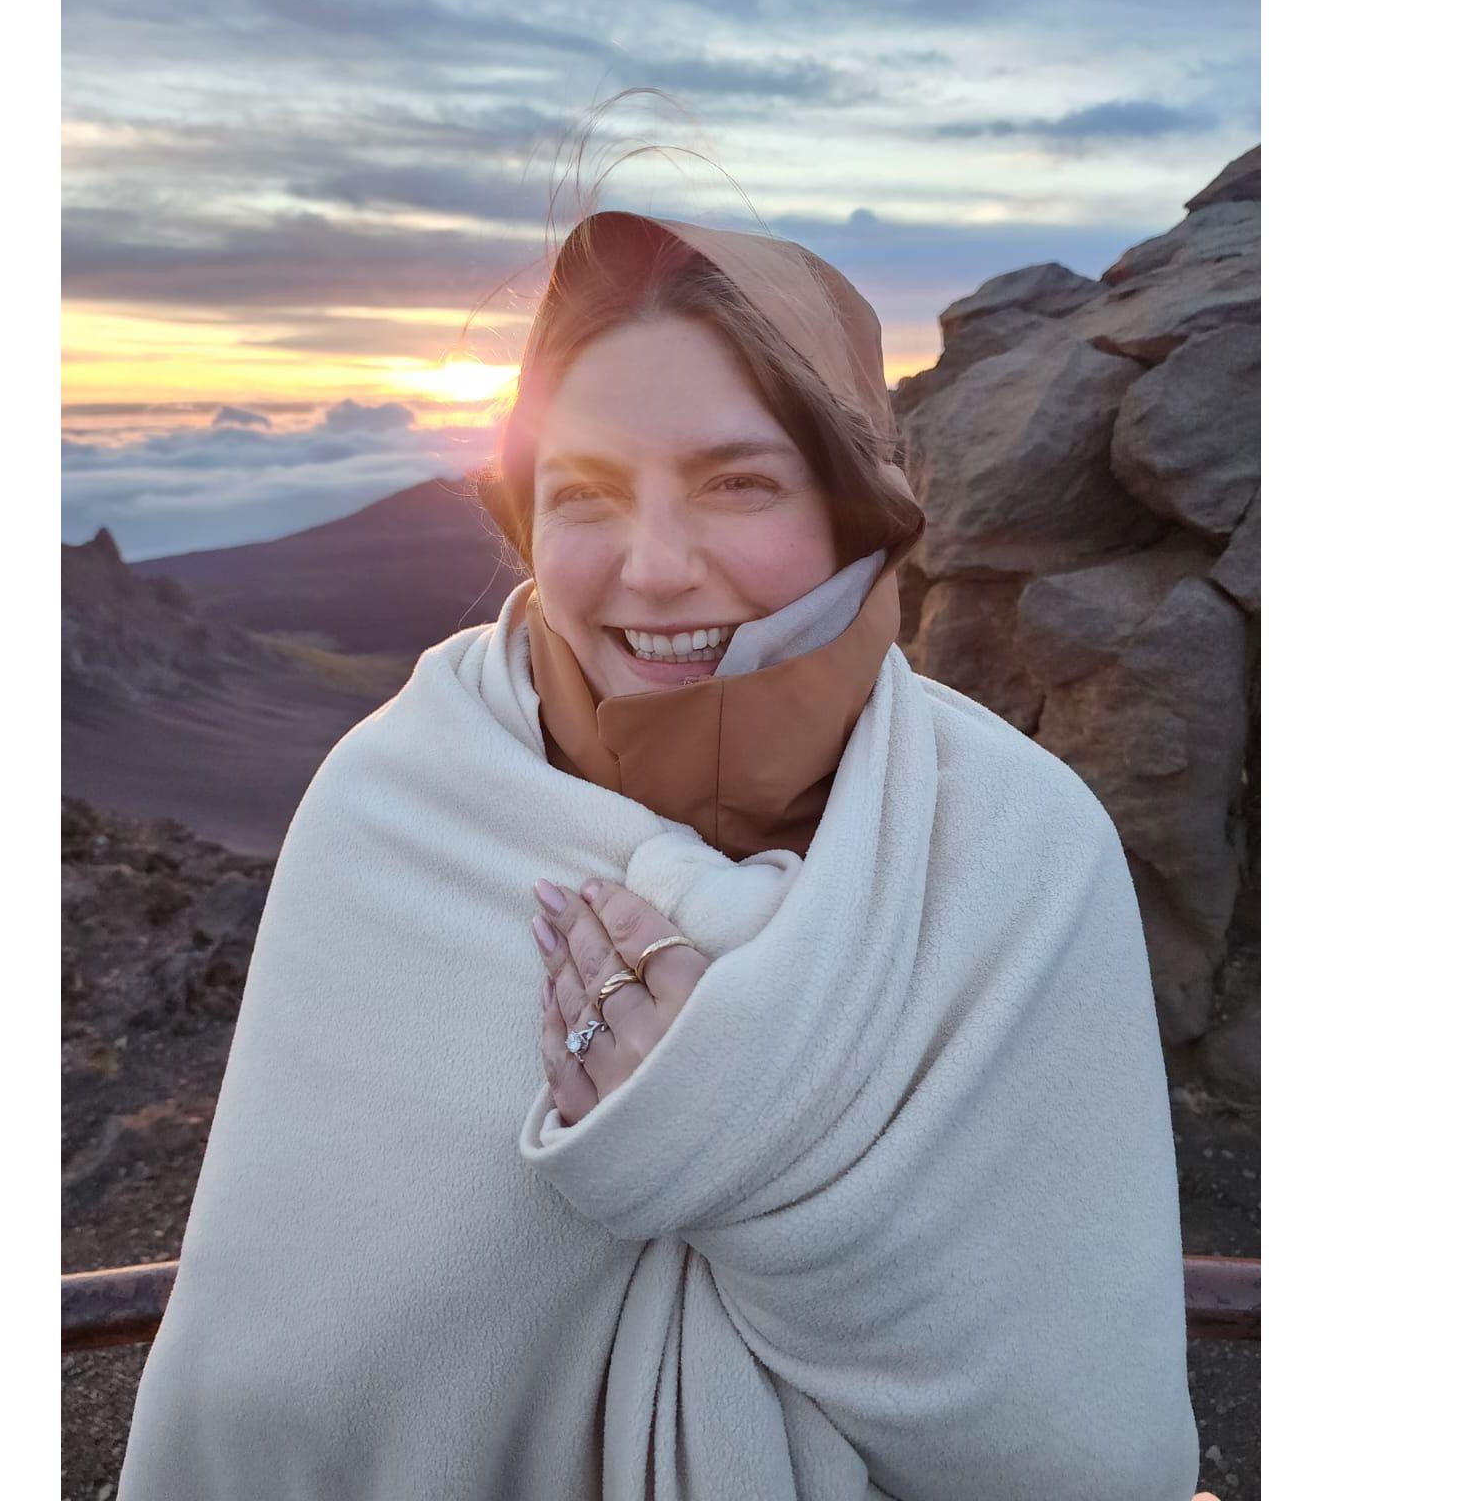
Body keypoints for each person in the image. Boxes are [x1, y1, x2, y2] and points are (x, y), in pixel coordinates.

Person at [117, 209, 1207, 1499]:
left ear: (854, 503)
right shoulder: (393, 815)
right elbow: (273, 1396)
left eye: (737, 481)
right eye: (582, 493)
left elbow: (1080, 1446)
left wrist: (717, 1125)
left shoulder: (1017, 853)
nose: (652, 566)